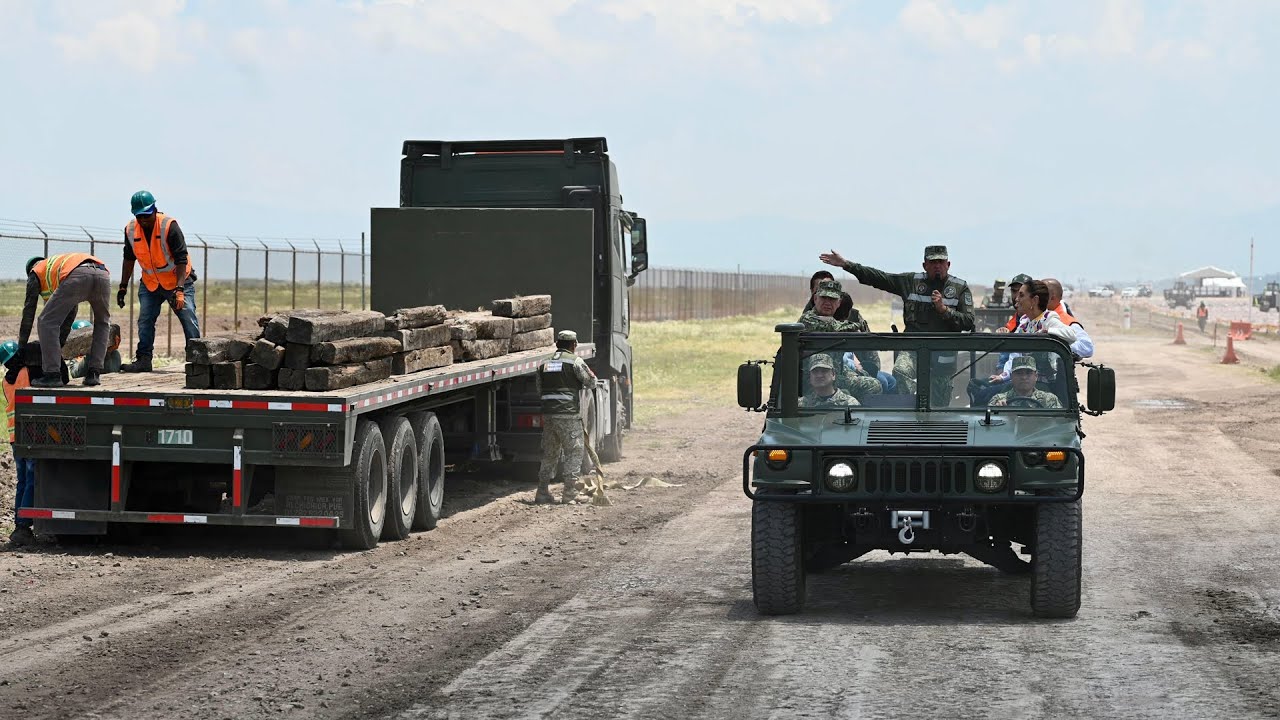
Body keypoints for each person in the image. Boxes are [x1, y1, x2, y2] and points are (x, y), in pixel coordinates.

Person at [819, 245, 974, 406]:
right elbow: (879, 278)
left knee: (939, 403)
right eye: (933, 262)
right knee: (901, 371)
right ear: (924, 265)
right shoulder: (911, 282)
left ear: (948, 265)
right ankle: (910, 408)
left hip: (943, 352)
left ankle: (933, 414)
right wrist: (846, 264)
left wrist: (944, 310)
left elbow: (969, 321)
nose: (937, 266)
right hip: (913, 348)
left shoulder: (960, 288)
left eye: (941, 262)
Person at [118, 190, 201, 373]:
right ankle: (144, 360)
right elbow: (129, 259)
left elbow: (181, 258)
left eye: (147, 215)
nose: (143, 220)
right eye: (139, 216)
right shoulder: (130, 230)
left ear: (155, 209)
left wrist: (180, 289)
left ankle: (198, 361)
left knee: (188, 317)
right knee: (145, 320)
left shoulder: (169, 226)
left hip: (177, 281)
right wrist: (123, 286)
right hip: (151, 283)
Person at [974, 279, 1076, 405]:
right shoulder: (1024, 323)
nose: (1017, 299)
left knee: (986, 396)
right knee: (979, 389)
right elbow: (1015, 354)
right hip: (1022, 382)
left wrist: (1048, 332)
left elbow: (1072, 335)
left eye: (1021, 295)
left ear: (1034, 300)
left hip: (1042, 386)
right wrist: (1003, 376)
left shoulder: (1048, 319)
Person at [18, 254, 112, 388]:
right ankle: (94, 373)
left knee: (45, 322)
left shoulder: (35, 272)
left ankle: (52, 375)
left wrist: (21, 347)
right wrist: (59, 343)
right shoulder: (57, 268)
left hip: (78, 275)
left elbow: (29, 312)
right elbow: (70, 312)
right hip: (102, 273)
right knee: (102, 323)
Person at [535, 330, 597, 505]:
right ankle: (570, 494)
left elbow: (539, 389)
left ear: (557, 344)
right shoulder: (575, 362)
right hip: (568, 414)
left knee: (550, 453)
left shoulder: (543, 363)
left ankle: (542, 492)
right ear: (574, 345)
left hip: (549, 415)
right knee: (574, 452)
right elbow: (592, 382)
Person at [798, 279, 884, 400]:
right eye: (824, 298)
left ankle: (856, 411)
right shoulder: (808, 319)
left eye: (832, 299)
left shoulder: (836, 319)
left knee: (873, 385)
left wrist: (861, 372)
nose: (827, 303)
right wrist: (858, 325)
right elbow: (836, 328)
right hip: (814, 378)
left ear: (838, 303)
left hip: (836, 375)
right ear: (815, 299)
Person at [2, 341, 36, 546]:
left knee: (22, 480)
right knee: (32, 478)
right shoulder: (26, 372)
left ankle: (19, 524)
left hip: (15, 437)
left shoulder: (5, 381)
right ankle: (24, 524)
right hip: (29, 434)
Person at [1043, 278, 1094, 358]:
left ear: (1052, 298)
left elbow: (1086, 347)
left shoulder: (1067, 322)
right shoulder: (1032, 318)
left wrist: (1057, 347)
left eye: (1040, 295)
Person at [989, 356, 1062, 408]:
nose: (1024, 377)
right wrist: (999, 411)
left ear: (1036, 376)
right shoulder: (998, 400)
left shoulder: (1049, 400)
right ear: (1011, 376)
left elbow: (1059, 422)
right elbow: (989, 421)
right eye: (1019, 373)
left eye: (1028, 373)